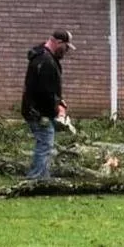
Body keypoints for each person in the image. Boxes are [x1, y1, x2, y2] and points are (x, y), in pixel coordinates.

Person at [20, 29, 76, 179]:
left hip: (36, 109)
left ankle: (42, 176)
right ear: (58, 43)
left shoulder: (42, 56)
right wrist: (58, 109)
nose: (66, 52)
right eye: (65, 48)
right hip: (38, 112)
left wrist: (59, 101)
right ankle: (36, 178)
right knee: (45, 144)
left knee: (45, 143)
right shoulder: (46, 61)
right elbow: (45, 92)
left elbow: (49, 90)